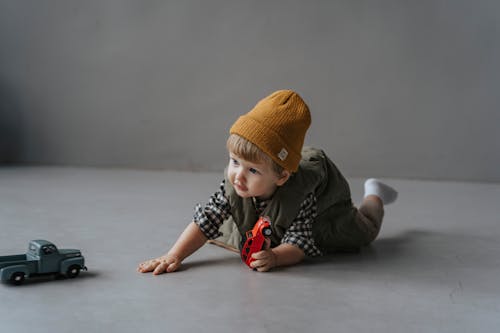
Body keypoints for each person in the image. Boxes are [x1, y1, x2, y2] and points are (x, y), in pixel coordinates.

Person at [137, 89, 397, 274]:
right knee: (232, 228)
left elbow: (299, 243)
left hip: (322, 216)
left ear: (282, 176)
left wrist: (276, 257)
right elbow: (206, 220)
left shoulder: (300, 193)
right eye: (234, 161)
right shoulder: (235, 185)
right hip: (265, 219)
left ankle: (375, 195)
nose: (238, 175)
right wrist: (174, 256)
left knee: (363, 232)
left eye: (252, 170)